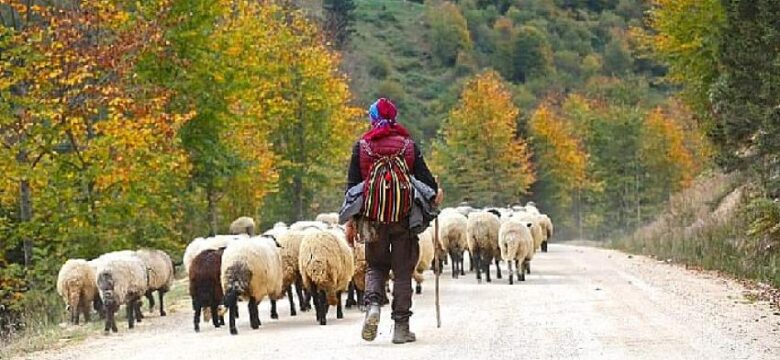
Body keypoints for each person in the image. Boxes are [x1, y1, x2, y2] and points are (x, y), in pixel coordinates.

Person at [344, 98, 442, 344]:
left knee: (375, 266)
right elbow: (428, 183)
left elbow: (351, 188)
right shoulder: (408, 146)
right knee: (402, 272)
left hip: (372, 217)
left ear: (373, 117)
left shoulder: (363, 146)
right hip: (404, 218)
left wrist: (350, 223)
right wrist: (435, 193)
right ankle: (401, 328)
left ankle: (374, 306)